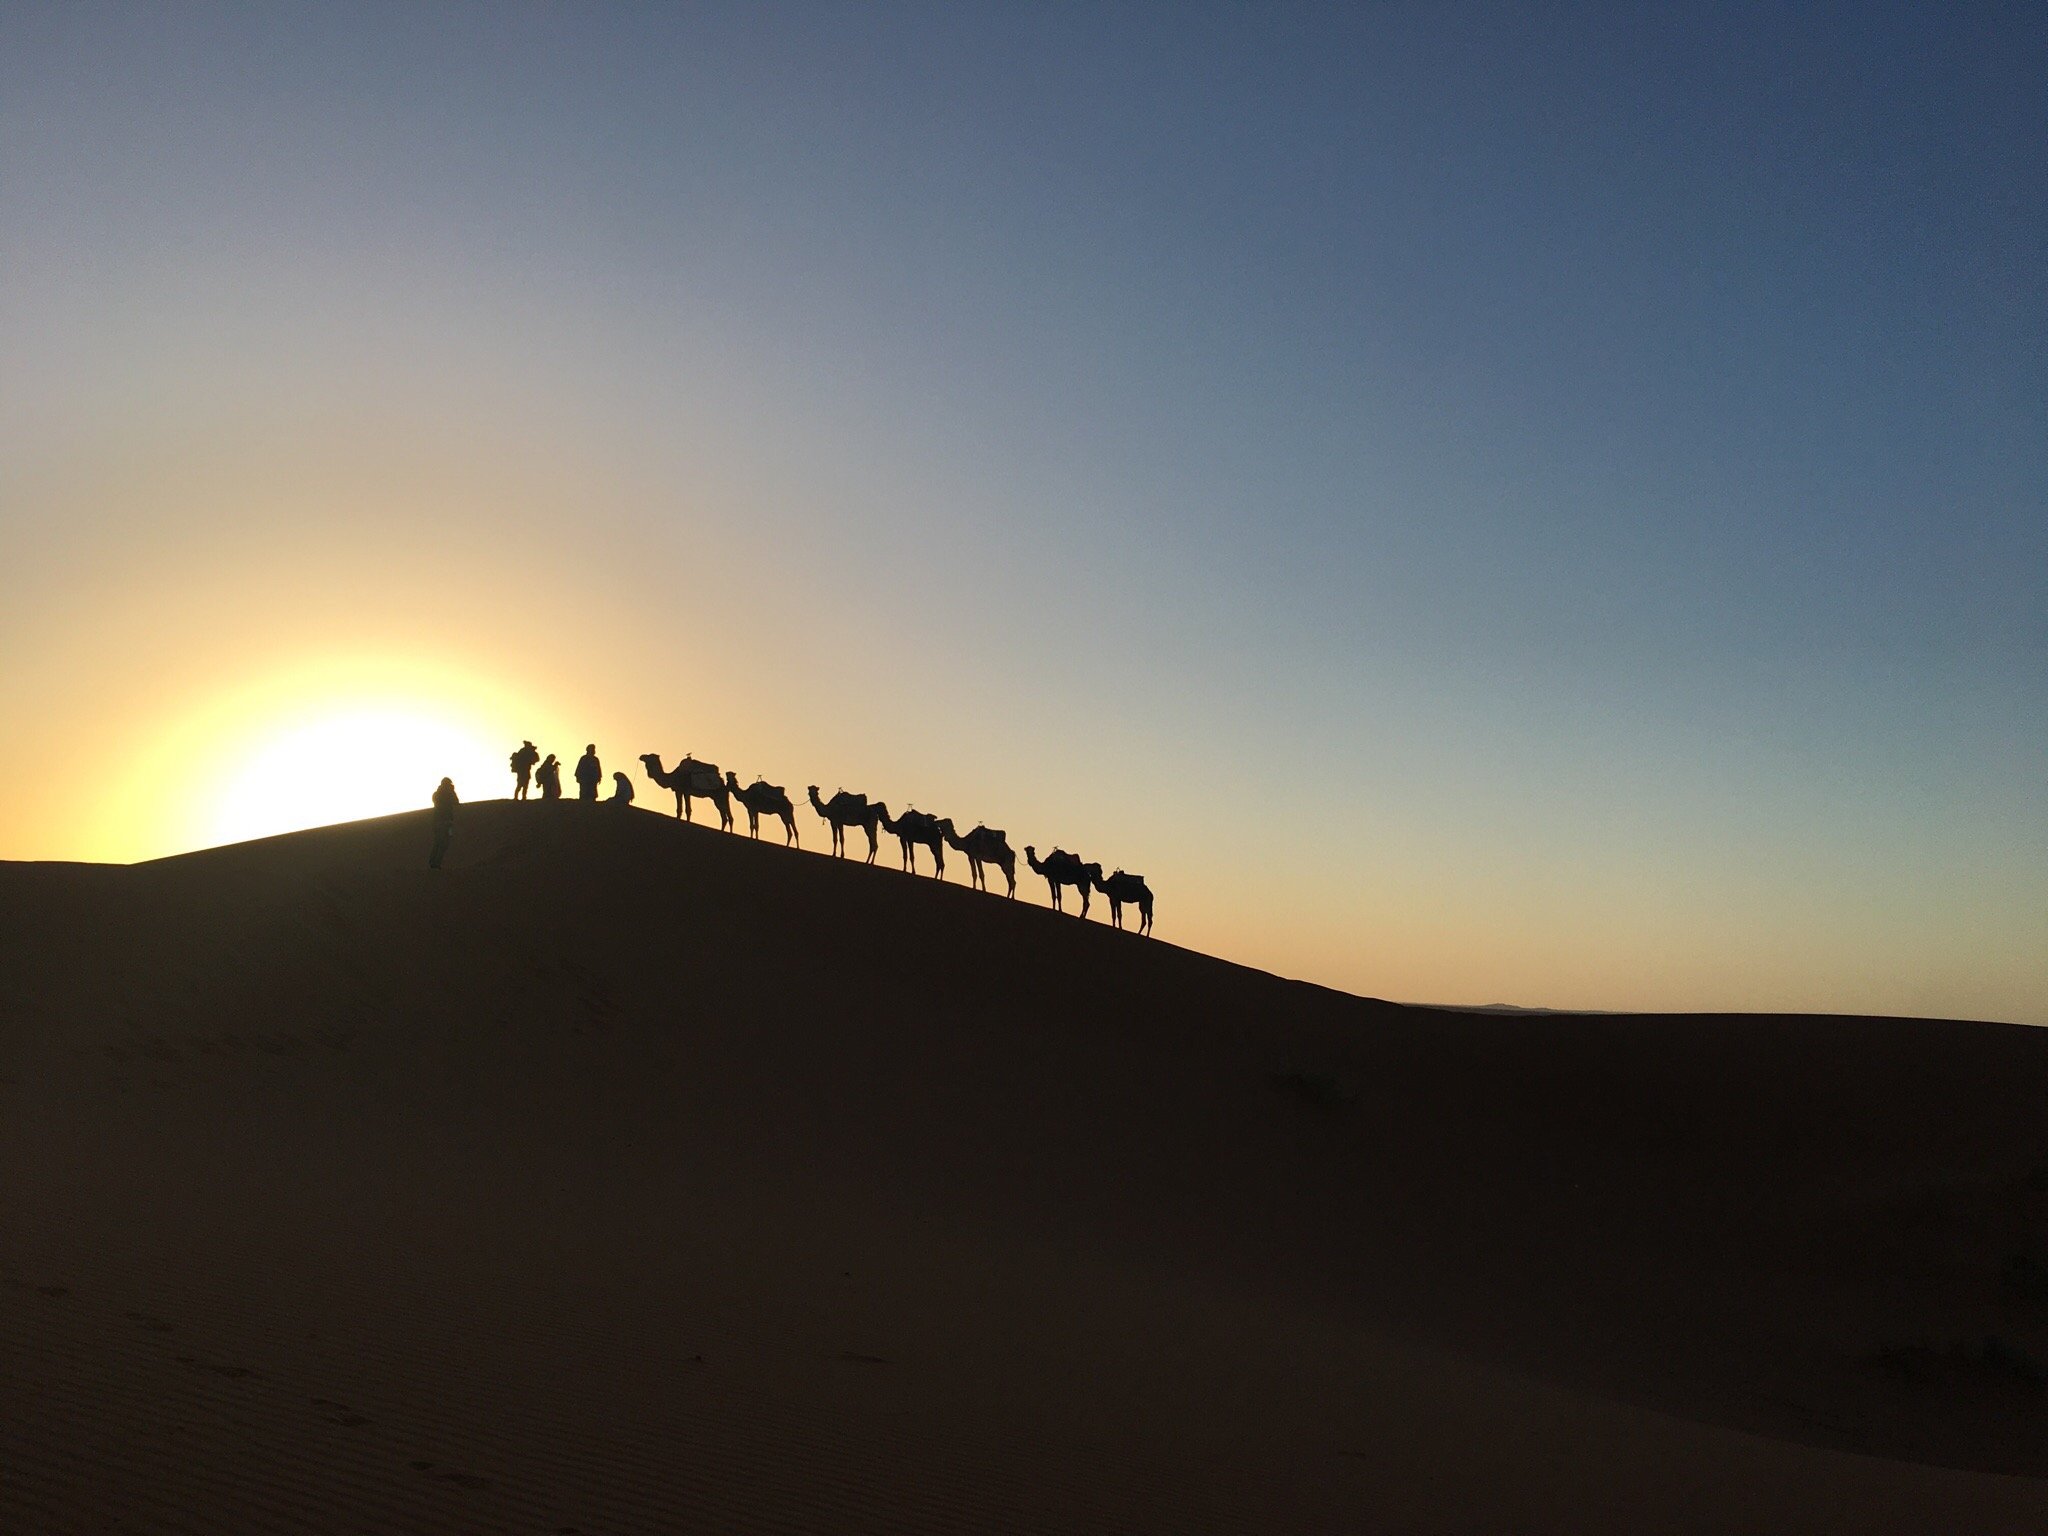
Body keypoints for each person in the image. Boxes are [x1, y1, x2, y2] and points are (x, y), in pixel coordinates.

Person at [428, 777, 459, 869]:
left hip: (438, 822)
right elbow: (456, 802)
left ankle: (433, 862)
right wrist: (451, 792)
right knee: (445, 842)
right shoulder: (448, 793)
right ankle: (435, 863)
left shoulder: (436, 794)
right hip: (446, 822)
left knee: (438, 841)